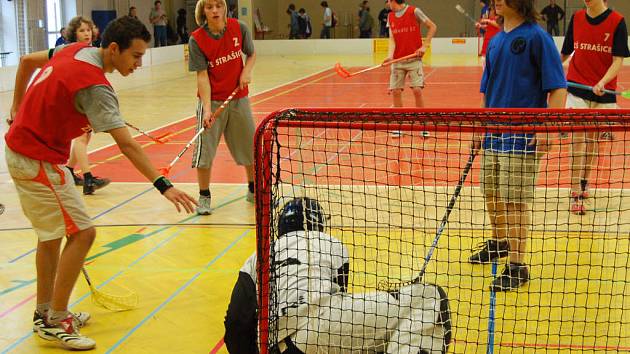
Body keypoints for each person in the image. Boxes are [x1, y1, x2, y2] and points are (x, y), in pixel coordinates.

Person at [5, 16, 197, 350]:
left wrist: (16, 104)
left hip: (26, 151)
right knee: (83, 233)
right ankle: (55, 319)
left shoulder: (75, 50)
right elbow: (127, 145)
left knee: (51, 237)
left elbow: (25, 62)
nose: (139, 63)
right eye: (135, 56)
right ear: (112, 49)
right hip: (36, 160)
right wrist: (164, 185)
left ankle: (44, 312)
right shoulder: (96, 87)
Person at [224, 197, 452, 354]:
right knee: (429, 297)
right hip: (325, 325)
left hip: (280, 344)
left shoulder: (259, 255)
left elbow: (236, 321)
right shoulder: (333, 244)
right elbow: (341, 301)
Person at [470, 0, 567, 291]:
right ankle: (499, 242)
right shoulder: (497, 40)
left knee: (514, 201)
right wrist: (479, 126)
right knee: (491, 193)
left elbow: (558, 87)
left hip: (521, 135)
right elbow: (486, 88)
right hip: (493, 135)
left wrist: (548, 128)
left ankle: (517, 266)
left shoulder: (537, 37)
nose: (496, 1)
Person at [561, 0, 629, 215]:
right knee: (577, 140)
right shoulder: (577, 18)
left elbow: (618, 60)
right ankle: (574, 193)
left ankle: (583, 182)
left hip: (603, 91)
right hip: (577, 88)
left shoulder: (618, 21)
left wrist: (603, 81)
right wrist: (547, 67)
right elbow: (565, 52)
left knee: (592, 142)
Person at [188, 0, 256, 215]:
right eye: (209, 7)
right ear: (203, 11)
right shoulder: (197, 39)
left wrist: (246, 71)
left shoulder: (239, 28)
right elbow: (202, 77)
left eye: (218, 5)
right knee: (205, 152)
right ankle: (204, 196)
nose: (215, 10)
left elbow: (251, 54)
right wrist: (207, 109)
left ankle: (254, 190)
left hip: (238, 98)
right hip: (213, 101)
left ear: (225, 7)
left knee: (249, 146)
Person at [64, 16, 111, 195]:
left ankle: (69, 169)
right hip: (77, 98)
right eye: (82, 30)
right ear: (74, 34)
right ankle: (88, 178)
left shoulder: (91, 50)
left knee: (84, 137)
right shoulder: (74, 51)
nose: (86, 33)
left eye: (88, 30)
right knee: (82, 137)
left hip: (85, 99)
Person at [384, 0, 437, 113]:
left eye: (388, 1)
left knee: (417, 90)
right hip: (397, 61)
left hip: (414, 59)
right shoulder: (390, 16)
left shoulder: (414, 11)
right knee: (396, 91)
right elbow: (392, 39)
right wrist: (390, 56)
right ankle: (399, 125)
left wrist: (424, 46)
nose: (387, 4)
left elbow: (432, 26)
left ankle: (422, 124)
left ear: (393, 1)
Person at [477, 1, 501, 65]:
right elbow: (489, 27)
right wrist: (481, 26)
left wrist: (488, 20)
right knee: (483, 59)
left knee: (494, 60)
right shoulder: (489, 11)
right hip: (487, 39)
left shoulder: (499, 14)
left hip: (495, 40)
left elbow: (498, 25)